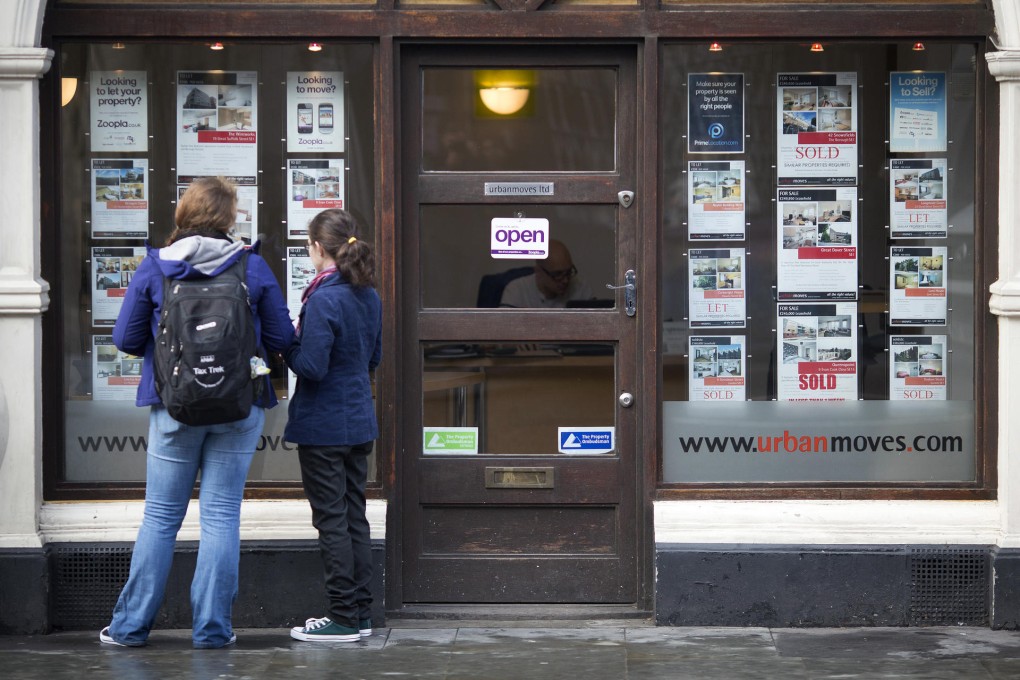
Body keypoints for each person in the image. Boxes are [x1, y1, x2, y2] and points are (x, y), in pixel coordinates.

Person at [100, 177, 294, 649]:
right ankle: (212, 630)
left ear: (182, 214)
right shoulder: (252, 266)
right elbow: (284, 340)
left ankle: (129, 629)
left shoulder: (155, 267)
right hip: (239, 404)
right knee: (222, 516)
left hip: (174, 408)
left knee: (161, 517)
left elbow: (125, 339)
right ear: (229, 218)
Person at [285, 209, 382, 642]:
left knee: (331, 521)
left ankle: (342, 618)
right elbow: (373, 359)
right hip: (359, 421)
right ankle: (361, 614)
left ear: (318, 248)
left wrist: (286, 342)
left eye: (308, 245)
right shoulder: (368, 295)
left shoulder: (324, 299)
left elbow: (311, 366)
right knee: (354, 517)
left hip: (323, 426)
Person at [499, 238, 593, 308]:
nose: (565, 280)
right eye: (557, 274)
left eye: (568, 272)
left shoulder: (581, 289)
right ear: (538, 271)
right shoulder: (516, 291)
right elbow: (504, 331)